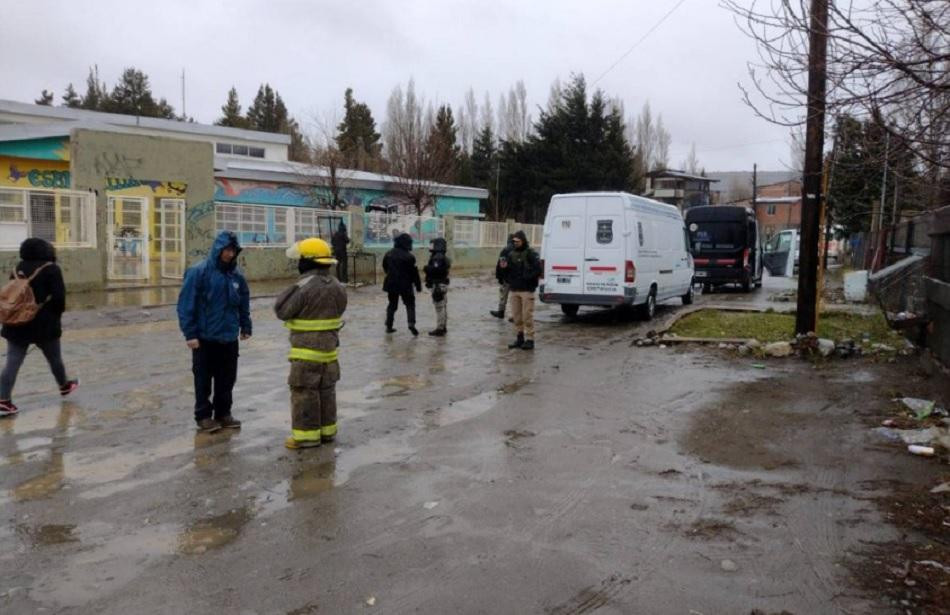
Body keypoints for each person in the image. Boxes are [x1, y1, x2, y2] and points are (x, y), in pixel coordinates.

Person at [275, 238, 347, 449]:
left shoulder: (303, 287)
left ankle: (306, 438)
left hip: (306, 354)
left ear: (307, 262)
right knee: (327, 393)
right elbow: (340, 309)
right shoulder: (338, 286)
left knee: (304, 394)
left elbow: (282, 311)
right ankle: (327, 433)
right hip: (330, 353)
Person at [177, 231, 252, 433]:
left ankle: (223, 413)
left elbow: (243, 302)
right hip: (204, 338)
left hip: (228, 337)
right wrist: (190, 334)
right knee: (203, 379)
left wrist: (245, 326)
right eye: (226, 250)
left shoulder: (236, 276)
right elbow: (186, 305)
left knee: (227, 378)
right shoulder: (199, 272)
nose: (230, 254)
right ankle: (203, 416)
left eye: (233, 251)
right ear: (218, 249)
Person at [0, 238, 79, 416]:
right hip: (44, 325)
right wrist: (55, 317)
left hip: (16, 323)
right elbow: (59, 298)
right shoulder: (51, 269)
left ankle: (3, 401)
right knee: (54, 360)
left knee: (12, 362)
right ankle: (64, 386)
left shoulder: (18, 267)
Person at [502, 230, 541, 351]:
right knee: (517, 317)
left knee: (527, 316)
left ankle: (530, 340)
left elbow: (538, 270)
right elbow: (506, 272)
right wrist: (503, 268)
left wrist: (527, 277)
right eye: (514, 241)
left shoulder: (530, 254)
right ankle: (520, 338)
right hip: (514, 289)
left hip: (527, 290)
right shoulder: (510, 254)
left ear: (523, 241)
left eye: (517, 241)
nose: (515, 243)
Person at [382, 233, 421, 336]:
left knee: (392, 305)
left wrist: (391, 275)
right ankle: (411, 324)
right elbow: (414, 273)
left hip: (391, 283)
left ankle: (389, 326)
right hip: (406, 285)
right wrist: (418, 286)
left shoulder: (388, 254)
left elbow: (385, 266)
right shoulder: (410, 257)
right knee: (410, 304)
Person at [423, 237, 451, 336]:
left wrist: (426, 269)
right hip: (442, 284)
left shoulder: (437, 257)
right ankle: (443, 327)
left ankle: (440, 328)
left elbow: (436, 270)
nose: (431, 247)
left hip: (438, 285)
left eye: (432, 244)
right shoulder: (442, 256)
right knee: (443, 306)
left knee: (439, 307)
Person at [490, 235, 515, 319]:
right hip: (516, 279)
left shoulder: (505, 250)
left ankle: (501, 312)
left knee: (503, 297)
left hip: (506, 279)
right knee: (515, 298)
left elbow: (501, 266)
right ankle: (514, 316)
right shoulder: (518, 250)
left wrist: (500, 278)